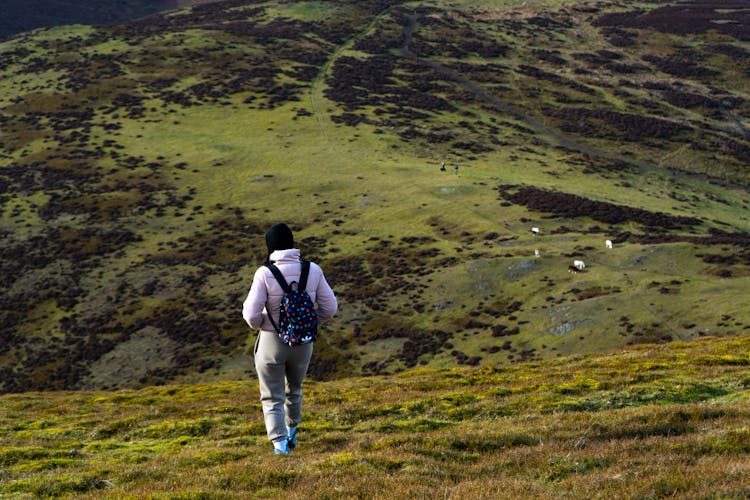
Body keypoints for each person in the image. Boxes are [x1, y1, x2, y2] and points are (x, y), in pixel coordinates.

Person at [242, 223, 338, 455]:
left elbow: (251, 315)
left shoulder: (264, 273)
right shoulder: (313, 269)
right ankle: (292, 430)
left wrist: (269, 323)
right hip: (303, 343)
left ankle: (280, 445)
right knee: (294, 389)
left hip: (272, 342)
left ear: (270, 247)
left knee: (272, 396)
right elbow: (330, 308)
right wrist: (306, 322)